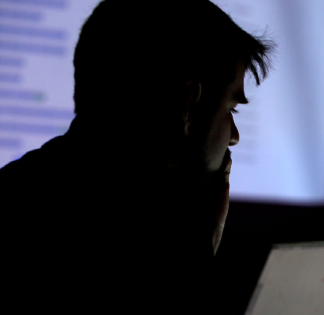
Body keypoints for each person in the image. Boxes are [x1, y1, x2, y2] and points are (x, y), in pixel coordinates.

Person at [0, 0, 274, 312]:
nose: (235, 135)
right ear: (188, 103)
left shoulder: (20, 189)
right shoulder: (150, 247)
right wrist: (197, 254)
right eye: (230, 108)